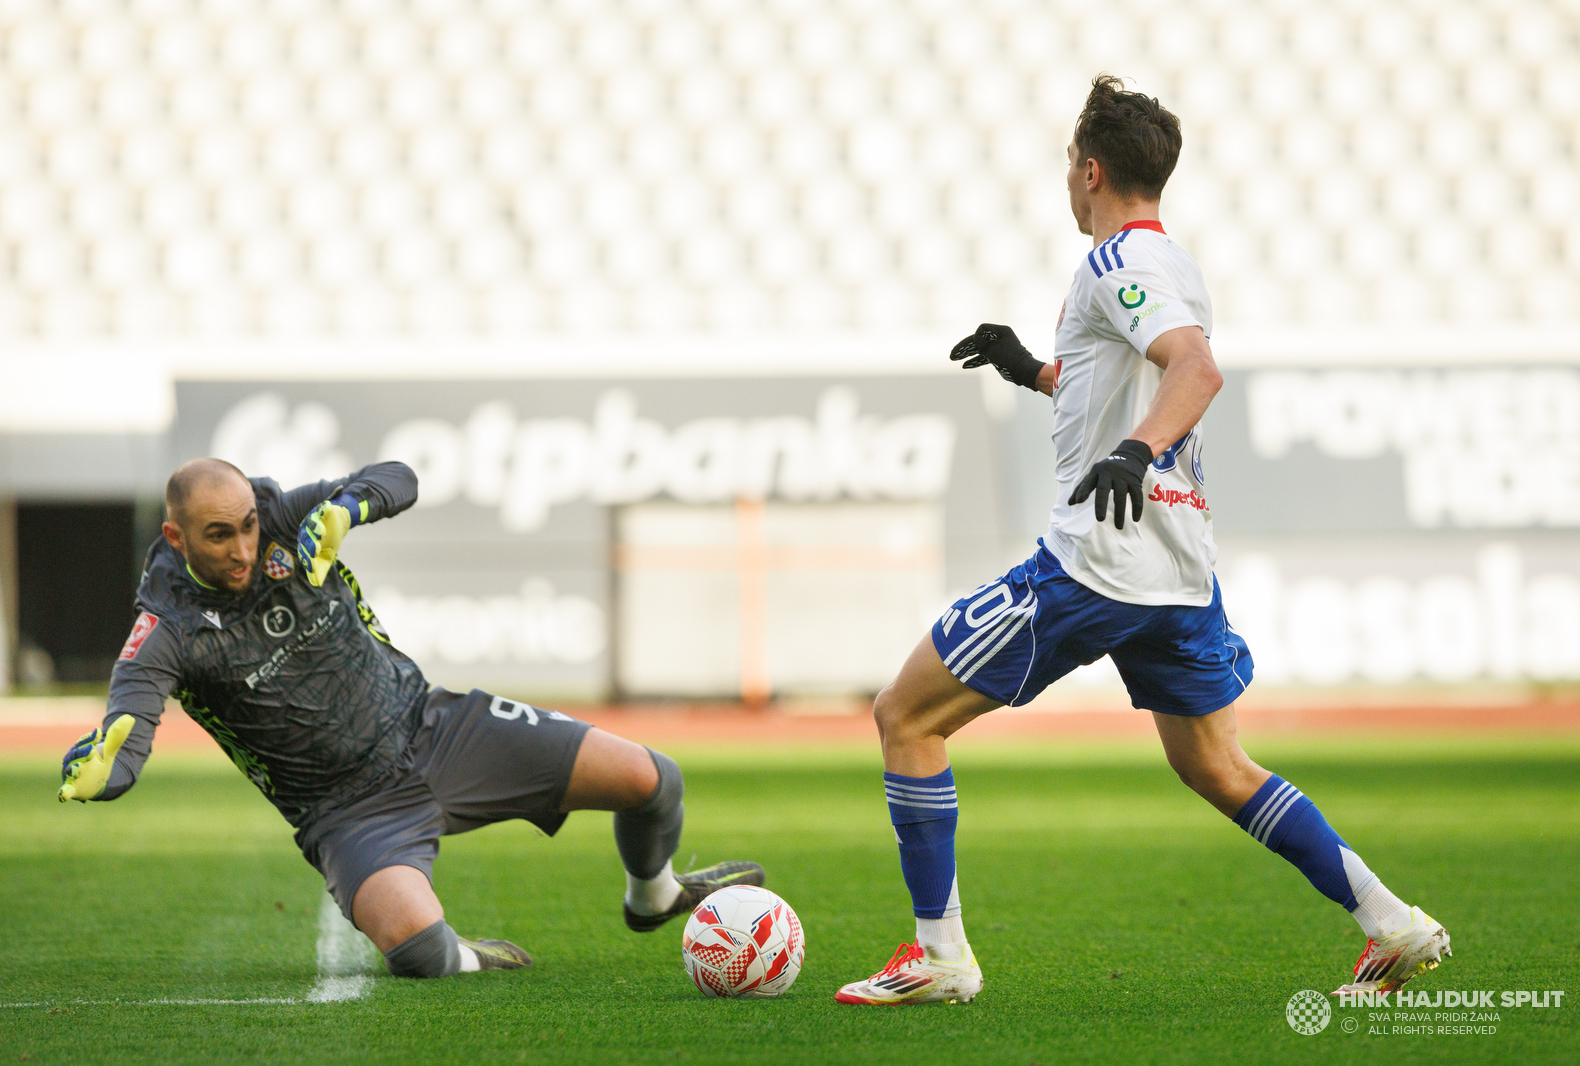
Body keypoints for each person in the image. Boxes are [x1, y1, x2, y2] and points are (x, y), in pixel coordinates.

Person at [835, 76, 1450, 1006]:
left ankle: (941, 956)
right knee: (1215, 764)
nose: (1066, 180)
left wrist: (1132, 450)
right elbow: (1129, 380)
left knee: (906, 717)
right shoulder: (1172, 263)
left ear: (1090, 171)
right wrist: (1035, 371)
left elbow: (1195, 370)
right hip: (1177, 567)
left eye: (1067, 165)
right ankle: (1392, 922)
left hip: (1098, 562)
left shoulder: (1114, 259)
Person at [59, 456, 761, 978]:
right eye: (219, 536)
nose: (244, 548)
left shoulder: (281, 516)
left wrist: (347, 508)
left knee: (650, 779)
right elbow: (126, 739)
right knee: (420, 953)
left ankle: (654, 896)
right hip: (346, 810)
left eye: (247, 527)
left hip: (434, 728)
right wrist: (103, 773)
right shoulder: (165, 629)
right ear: (176, 536)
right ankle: (471, 956)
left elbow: (399, 477)